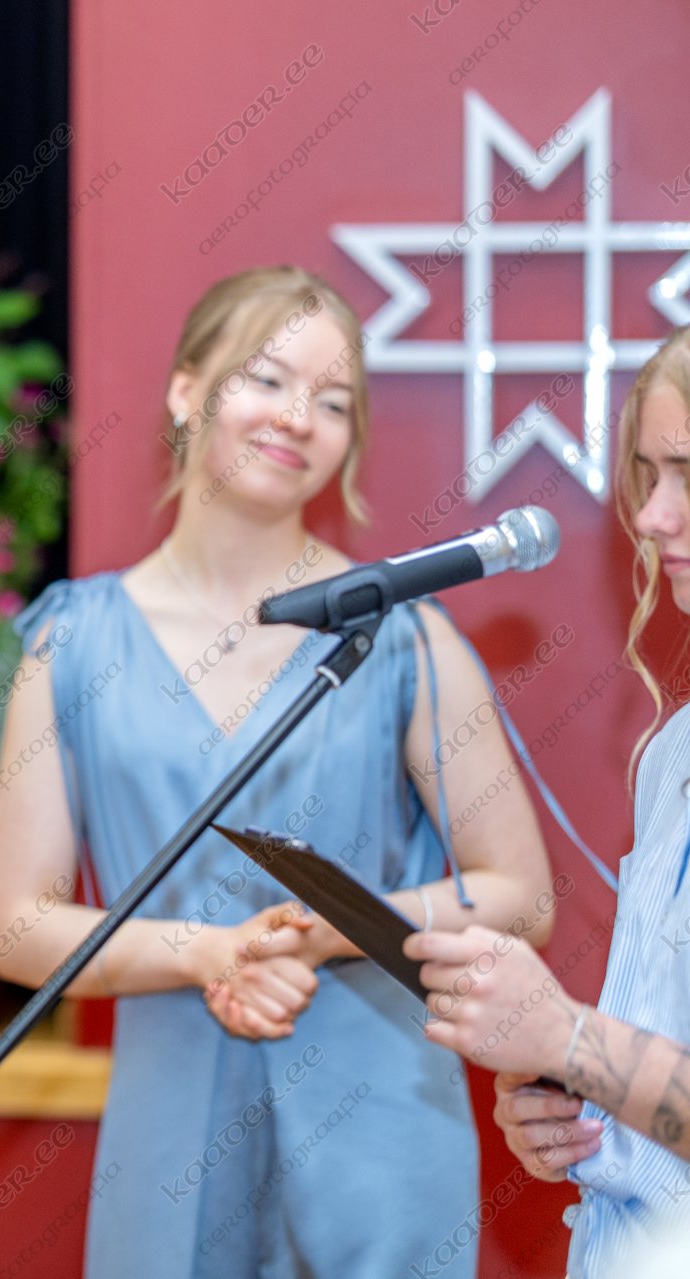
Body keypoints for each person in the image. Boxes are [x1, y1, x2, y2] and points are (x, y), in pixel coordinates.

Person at [0, 265, 556, 1276]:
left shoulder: (407, 636)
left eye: (334, 402)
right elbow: (18, 928)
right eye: (267, 378)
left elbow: (521, 897)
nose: (298, 418)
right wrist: (209, 952)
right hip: (170, 1139)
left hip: (382, 1134)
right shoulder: (72, 644)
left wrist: (333, 928)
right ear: (185, 389)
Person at [408, 325, 690, 1276]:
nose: (654, 517)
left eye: (688, 474)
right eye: (646, 476)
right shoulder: (673, 753)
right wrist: (578, 1103)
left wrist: (572, 1037)